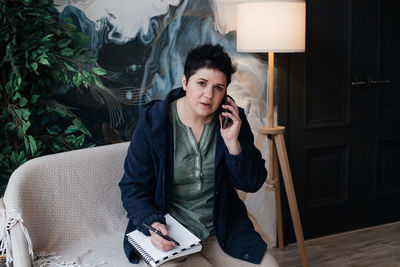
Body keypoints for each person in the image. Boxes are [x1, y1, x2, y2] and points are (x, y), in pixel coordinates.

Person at [119, 44, 278, 266]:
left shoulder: (233, 119)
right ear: (185, 82)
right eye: (201, 83)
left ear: (225, 91)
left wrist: (233, 143)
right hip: (172, 233)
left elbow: (251, 183)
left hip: (222, 229)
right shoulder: (154, 122)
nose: (209, 95)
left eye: (218, 88)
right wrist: (152, 225)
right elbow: (133, 187)